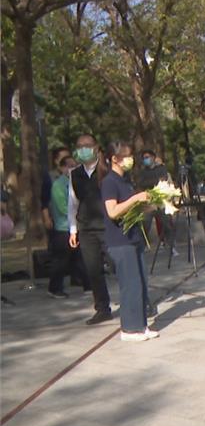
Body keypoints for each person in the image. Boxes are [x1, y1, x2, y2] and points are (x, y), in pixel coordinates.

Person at [100, 141, 158, 342]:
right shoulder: (109, 182)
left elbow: (131, 209)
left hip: (134, 237)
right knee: (130, 284)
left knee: (141, 281)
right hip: (119, 240)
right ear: (114, 159)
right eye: (125, 156)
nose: (130, 159)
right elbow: (113, 211)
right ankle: (129, 329)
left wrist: (152, 203)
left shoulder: (126, 180)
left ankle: (141, 324)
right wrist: (135, 199)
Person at [68, 133, 113, 325]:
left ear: (96, 147)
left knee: (119, 265)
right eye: (80, 146)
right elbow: (72, 203)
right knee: (93, 270)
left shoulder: (108, 171)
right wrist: (73, 229)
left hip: (108, 226)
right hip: (86, 228)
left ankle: (138, 301)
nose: (83, 149)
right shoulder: (75, 173)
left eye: (87, 145)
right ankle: (102, 308)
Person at [47, 155, 86, 298]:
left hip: (77, 225)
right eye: (69, 166)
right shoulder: (58, 185)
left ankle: (84, 282)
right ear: (62, 168)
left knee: (78, 257)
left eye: (74, 165)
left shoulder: (76, 182)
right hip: (63, 228)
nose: (72, 168)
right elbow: (64, 208)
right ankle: (54, 288)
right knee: (60, 260)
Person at [137, 149, 176, 253]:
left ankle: (172, 246)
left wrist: (151, 183)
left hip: (161, 200)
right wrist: (155, 181)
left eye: (148, 157)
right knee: (145, 224)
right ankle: (142, 246)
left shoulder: (161, 168)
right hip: (149, 201)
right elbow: (141, 184)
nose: (146, 160)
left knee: (167, 224)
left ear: (153, 157)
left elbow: (163, 179)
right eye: (144, 158)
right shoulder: (143, 172)